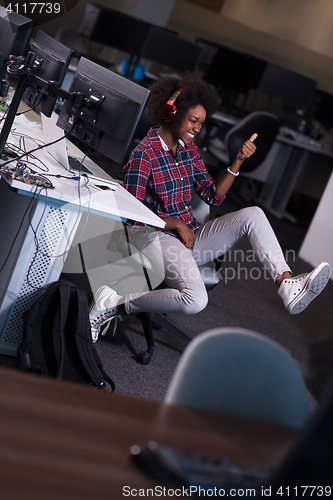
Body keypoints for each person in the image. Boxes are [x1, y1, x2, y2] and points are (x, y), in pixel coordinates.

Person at [89, 74, 331, 342]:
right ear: (171, 113)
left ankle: (286, 283)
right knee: (195, 301)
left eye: (201, 124)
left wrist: (238, 160)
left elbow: (213, 197)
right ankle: (114, 304)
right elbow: (129, 218)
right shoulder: (144, 155)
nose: (197, 129)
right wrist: (173, 223)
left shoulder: (188, 150)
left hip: (189, 238)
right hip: (155, 237)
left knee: (253, 214)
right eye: (193, 121)